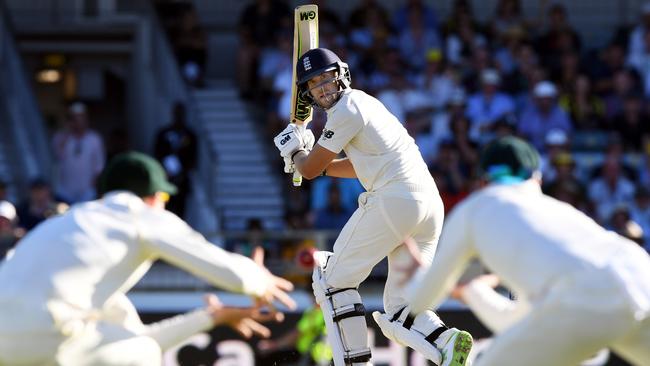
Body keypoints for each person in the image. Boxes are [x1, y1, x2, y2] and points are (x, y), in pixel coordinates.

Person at [272, 47, 472, 366]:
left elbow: (309, 170)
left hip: (396, 200)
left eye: (327, 78)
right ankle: (446, 341)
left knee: (331, 279)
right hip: (427, 205)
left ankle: (353, 363)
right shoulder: (365, 103)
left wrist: (296, 153)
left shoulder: (347, 109)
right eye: (314, 84)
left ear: (341, 76)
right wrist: (305, 156)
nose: (322, 87)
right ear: (307, 92)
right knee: (399, 309)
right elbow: (356, 165)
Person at [0, 151, 296, 365]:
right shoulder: (137, 214)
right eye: (164, 199)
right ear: (153, 197)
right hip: (51, 337)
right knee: (144, 355)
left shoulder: (68, 231)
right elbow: (226, 271)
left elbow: (138, 338)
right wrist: (259, 281)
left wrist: (212, 317)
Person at [405, 136, 650, 366]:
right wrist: (473, 292)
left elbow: (421, 301)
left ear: (481, 181)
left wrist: (415, 277)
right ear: (537, 179)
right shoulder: (559, 212)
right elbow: (516, 321)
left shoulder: (471, 210)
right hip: (640, 273)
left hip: (583, 298)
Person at [51, 102, 106, 204]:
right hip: (65, 192)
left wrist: (94, 184)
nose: (79, 122)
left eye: (81, 118)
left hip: (87, 192)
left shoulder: (94, 139)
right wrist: (67, 131)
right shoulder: (60, 137)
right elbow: (58, 156)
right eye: (75, 119)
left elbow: (99, 166)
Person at [154, 102, 198, 219]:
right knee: (164, 209)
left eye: (181, 113)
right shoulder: (163, 133)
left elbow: (193, 158)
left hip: (181, 182)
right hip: (165, 180)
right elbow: (157, 154)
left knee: (180, 212)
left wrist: (182, 172)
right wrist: (164, 170)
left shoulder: (190, 135)